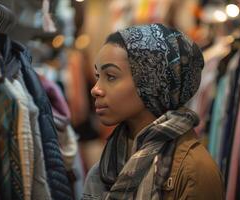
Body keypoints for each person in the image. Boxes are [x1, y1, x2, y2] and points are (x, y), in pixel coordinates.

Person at [82, 23, 225, 200]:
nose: (95, 89)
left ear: (151, 83)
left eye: (111, 76)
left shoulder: (195, 170)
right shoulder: (109, 162)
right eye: (98, 77)